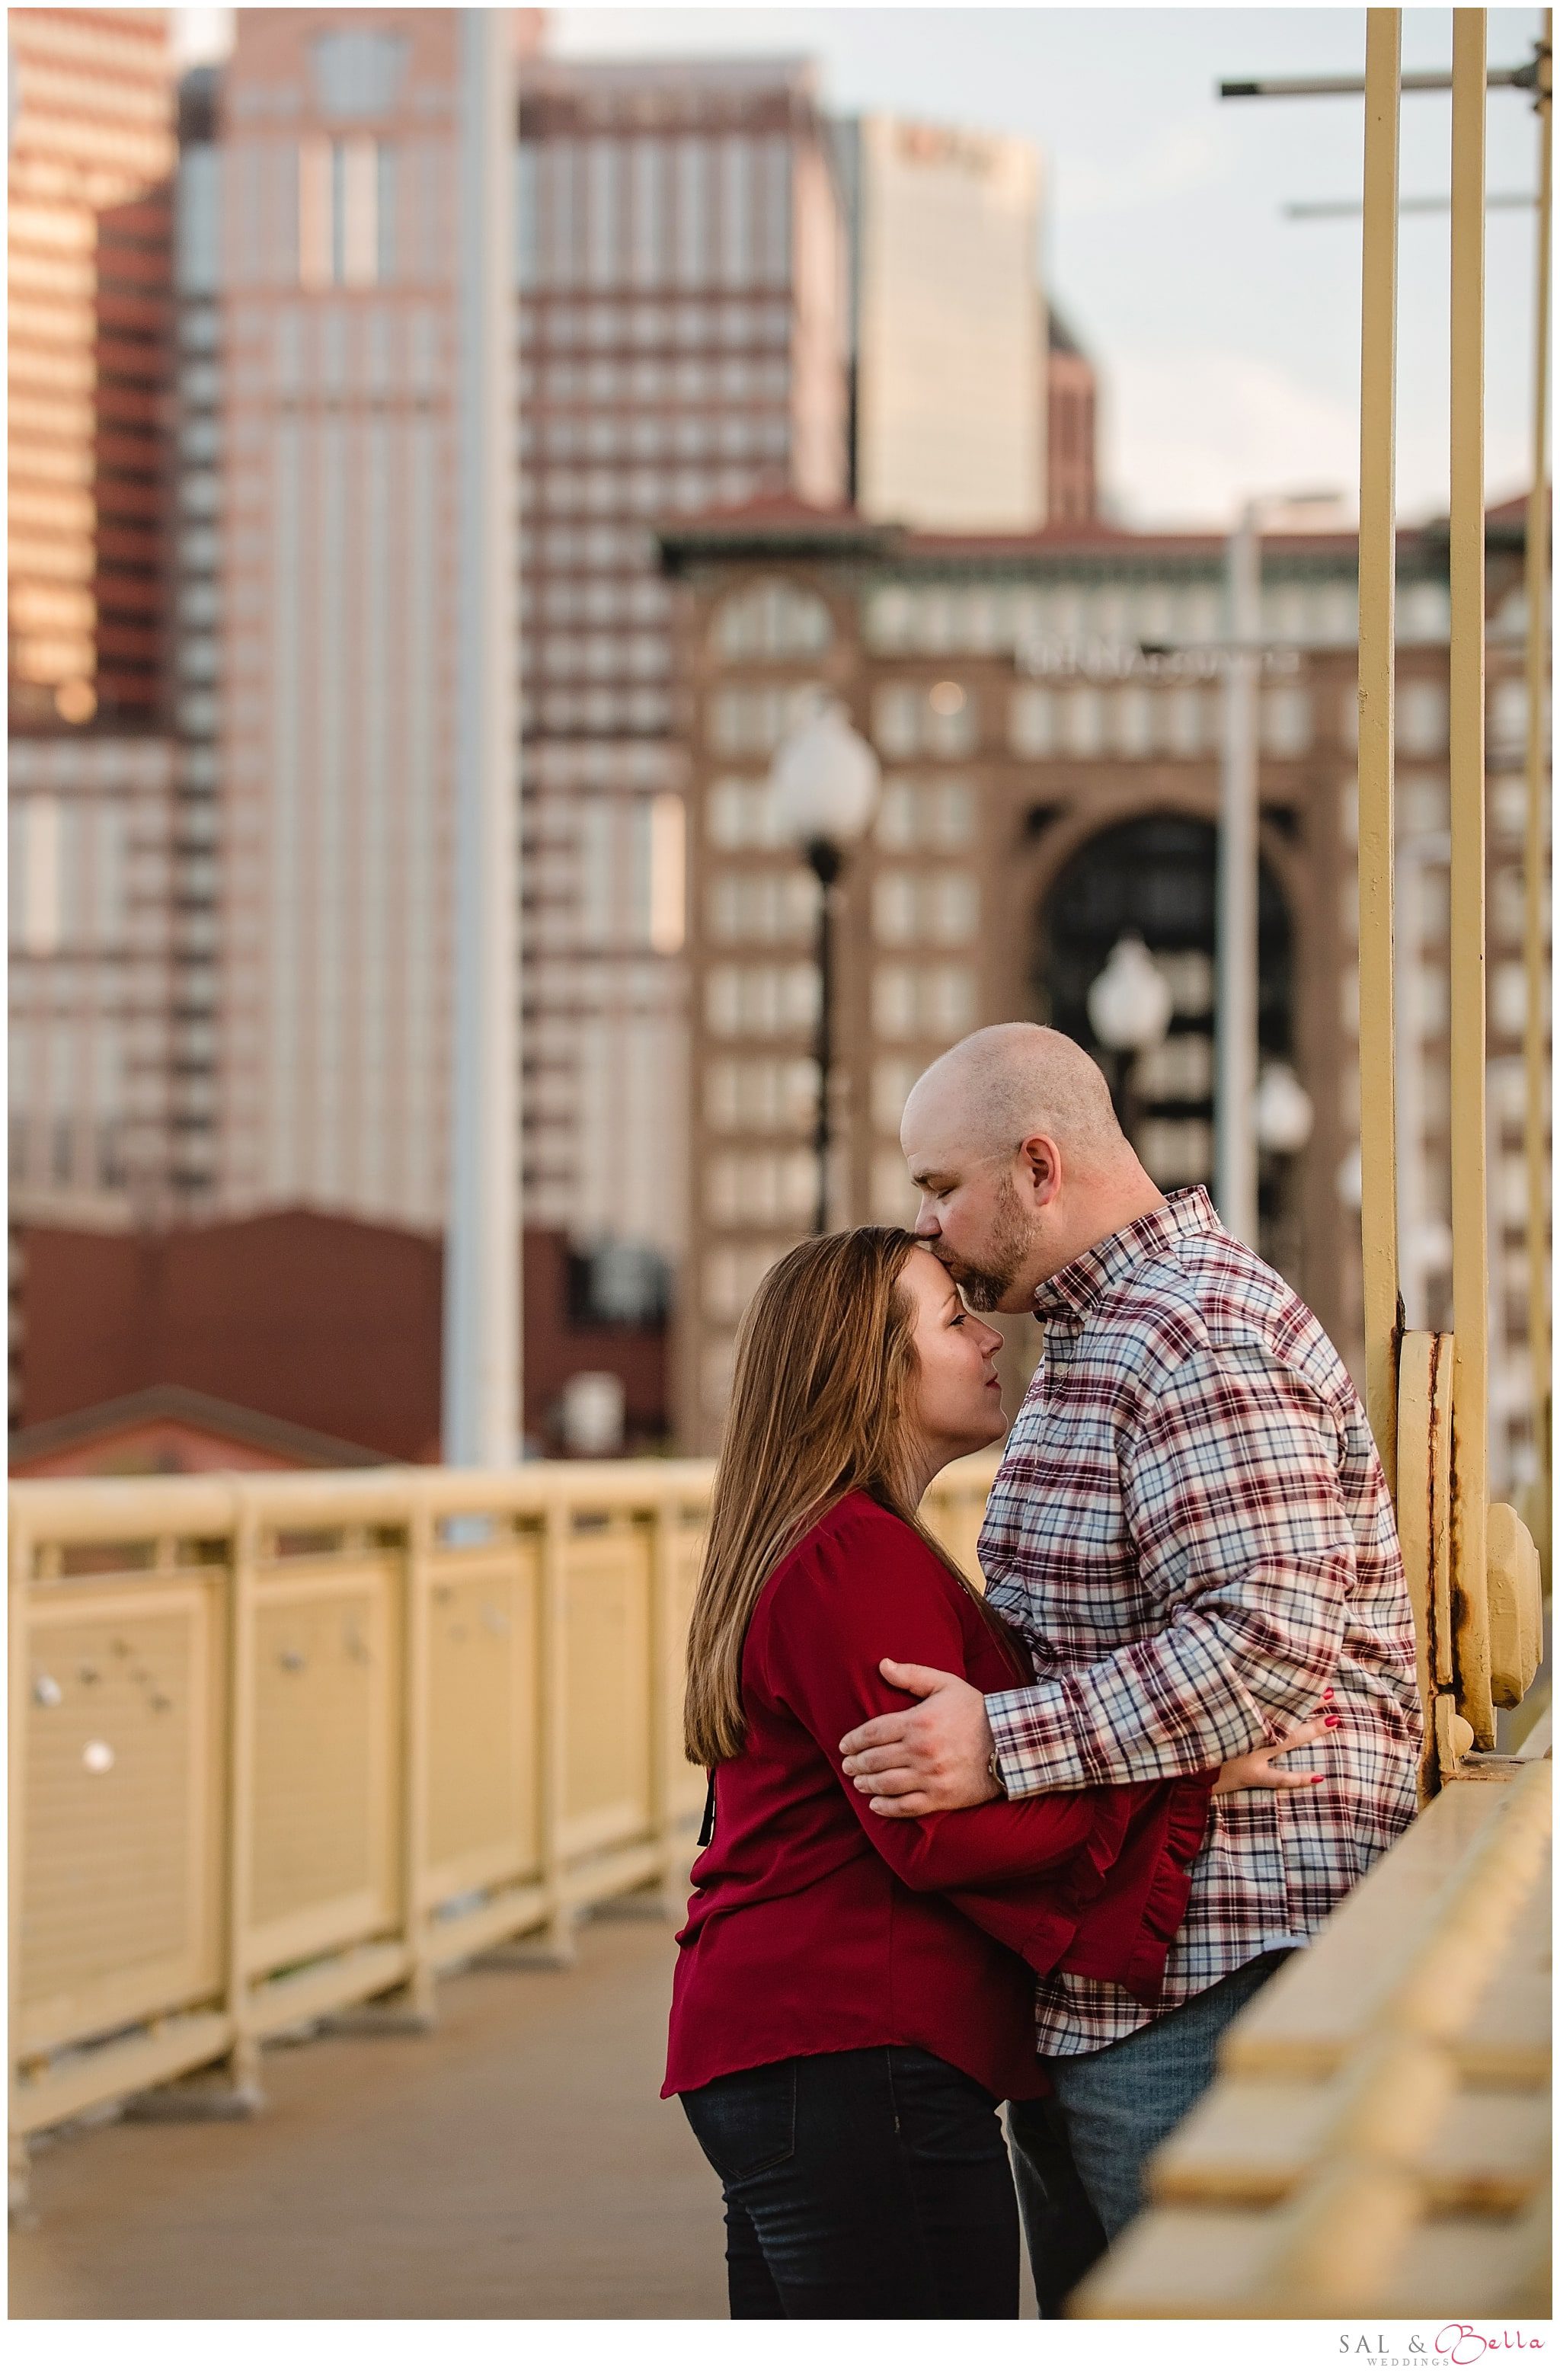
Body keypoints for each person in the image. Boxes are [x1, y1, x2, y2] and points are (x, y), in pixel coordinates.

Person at [838, 1024, 1421, 2305]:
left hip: (1215, 1967)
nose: (926, 1224)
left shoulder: (1194, 1329)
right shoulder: (1098, 1339)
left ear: (1039, 1168)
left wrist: (1000, 1745)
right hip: (1121, 1970)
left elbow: (1262, 1642)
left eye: (941, 1187)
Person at [666, 1224, 1330, 2321]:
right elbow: (939, 1827)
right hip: (851, 2047)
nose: (990, 1339)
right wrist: (1179, 1781)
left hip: (797, 2052)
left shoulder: (828, 1543)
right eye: (953, 1319)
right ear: (871, 1368)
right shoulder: (854, 1557)